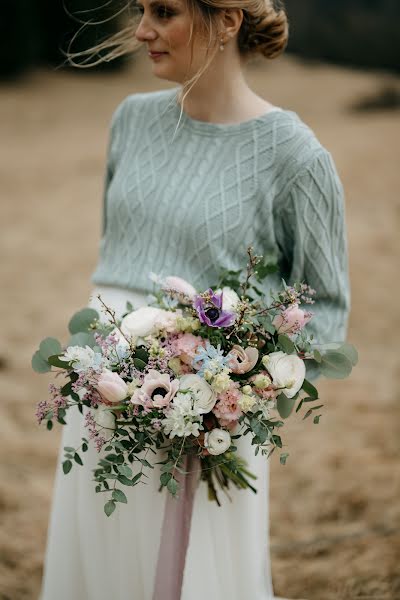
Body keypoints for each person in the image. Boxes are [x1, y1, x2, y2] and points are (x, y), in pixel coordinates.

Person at [39, 0, 350, 598]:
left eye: (164, 11)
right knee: (99, 563)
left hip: (206, 421)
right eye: (140, 10)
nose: (141, 31)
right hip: (100, 402)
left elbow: (325, 311)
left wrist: (237, 389)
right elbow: (117, 255)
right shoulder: (131, 118)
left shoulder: (296, 156)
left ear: (227, 19)